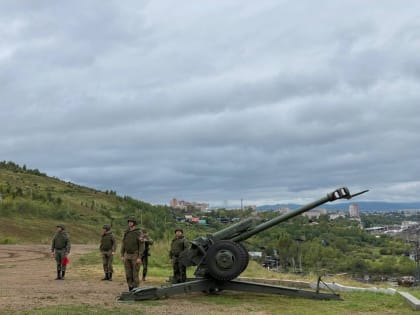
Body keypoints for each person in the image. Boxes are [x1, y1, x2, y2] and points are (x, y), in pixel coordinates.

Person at [120, 217, 145, 291]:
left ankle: (136, 289)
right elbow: (123, 244)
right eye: (129, 222)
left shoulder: (139, 232)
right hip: (127, 255)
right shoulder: (126, 232)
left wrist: (139, 257)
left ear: (134, 223)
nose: (129, 223)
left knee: (135, 273)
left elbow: (142, 246)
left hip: (135, 254)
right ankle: (130, 287)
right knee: (128, 273)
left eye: (131, 222)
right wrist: (122, 254)